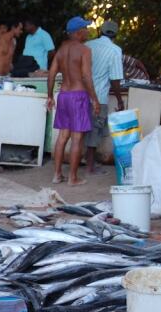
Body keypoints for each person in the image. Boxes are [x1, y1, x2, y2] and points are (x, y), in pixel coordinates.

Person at [47, 16, 100, 186]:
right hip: (78, 96)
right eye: (86, 28)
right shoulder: (84, 50)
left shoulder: (61, 49)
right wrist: (94, 99)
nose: (88, 31)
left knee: (63, 136)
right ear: (78, 32)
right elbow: (85, 76)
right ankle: (72, 178)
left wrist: (49, 96)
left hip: (63, 95)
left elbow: (52, 73)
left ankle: (57, 175)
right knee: (77, 138)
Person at [85, 20, 124, 175]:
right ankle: (90, 167)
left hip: (82, 95)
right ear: (115, 34)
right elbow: (115, 79)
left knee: (81, 130)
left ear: (100, 31)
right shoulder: (115, 50)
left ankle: (84, 162)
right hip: (99, 97)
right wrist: (120, 100)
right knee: (95, 130)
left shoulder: (88, 45)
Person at [0, 19, 23, 87]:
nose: (21, 31)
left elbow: (10, 59)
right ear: (13, 28)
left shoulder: (14, 42)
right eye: (20, 29)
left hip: (7, 77)